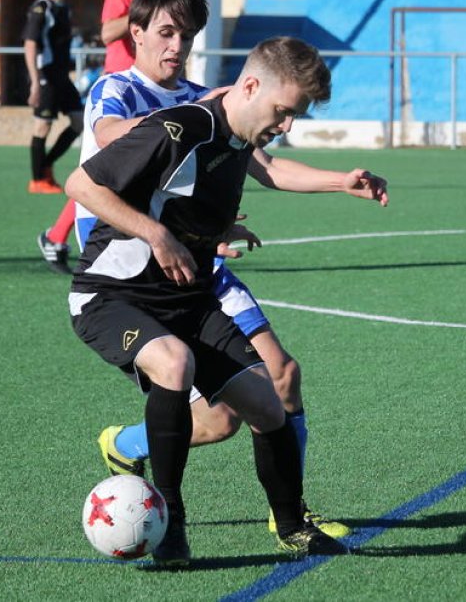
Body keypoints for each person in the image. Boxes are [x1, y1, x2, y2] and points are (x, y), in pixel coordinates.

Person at [65, 34, 388, 565]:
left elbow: (239, 179)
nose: (286, 126)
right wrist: (157, 235)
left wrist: (217, 226)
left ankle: (290, 526)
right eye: (284, 112)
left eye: (295, 117)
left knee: (267, 401)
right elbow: (82, 184)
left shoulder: (239, 136)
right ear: (252, 84)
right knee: (175, 361)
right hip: (112, 295)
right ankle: (170, 522)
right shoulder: (180, 127)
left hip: (185, 299)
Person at [38, 0, 176, 267]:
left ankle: (57, 236)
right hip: (119, 88)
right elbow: (107, 32)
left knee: (128, 172)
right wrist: (147, 13)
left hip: (151, 89)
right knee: (106, 171)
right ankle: (58, 233)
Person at [23, 0, 84, 194]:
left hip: (61, 76)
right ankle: (37, 179)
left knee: (78, 122)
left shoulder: (64, 8)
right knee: (42, 127)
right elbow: (29, 44)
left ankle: (46, 165)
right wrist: (35, 82)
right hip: (45, 74)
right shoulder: (41, 8)